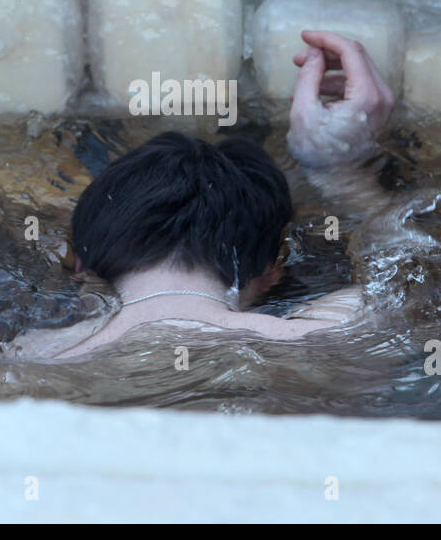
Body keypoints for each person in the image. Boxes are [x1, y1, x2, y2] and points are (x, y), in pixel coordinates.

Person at [42, 30, 396, 359]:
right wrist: (342, 172)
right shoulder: (337, 338)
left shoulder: (27, 362)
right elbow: (409, 270)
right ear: (271, 272)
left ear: (79, 269)